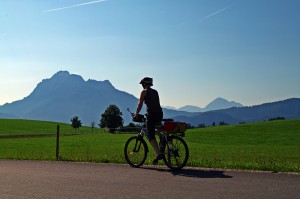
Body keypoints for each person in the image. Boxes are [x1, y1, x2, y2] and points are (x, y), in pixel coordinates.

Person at [134, 77, 164, 164]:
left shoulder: (144, 92)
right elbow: (155, 104)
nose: (142, 86)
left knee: (150, 135)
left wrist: (136, 114)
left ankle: (158, 154)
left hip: (151, 115)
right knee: (155, 128)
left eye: (142, 84)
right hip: (159, 114)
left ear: (144, 84)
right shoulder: (155, 92)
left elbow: (140, 105)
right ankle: (161, 135)